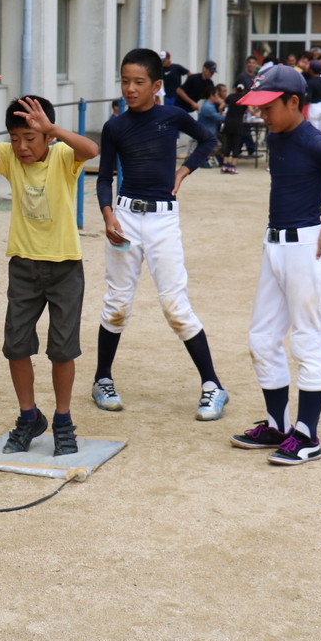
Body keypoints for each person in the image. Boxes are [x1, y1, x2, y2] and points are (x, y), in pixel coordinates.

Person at [230, 65, 321, 465]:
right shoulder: (277, 136)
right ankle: (278, 425)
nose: (261, 115)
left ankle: (307, 435)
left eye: (268, 108)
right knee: (262, 338)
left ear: (294, 102)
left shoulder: (315, 142)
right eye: (258, 108)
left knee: (307, 341)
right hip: (274, 246)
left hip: (307, 250)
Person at [0, 77, 99, 455]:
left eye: (31, 138)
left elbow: (92, 149)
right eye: (15, 138)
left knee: (62, 350)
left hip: (65, 266)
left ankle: (64, 420)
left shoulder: (64, 156)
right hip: (23, 265)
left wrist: (53, 129)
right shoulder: (9, 158)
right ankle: (28, 416)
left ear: (47, 137)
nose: (22, 146)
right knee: (16, 345)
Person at [93, 48, 228, 420]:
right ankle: (102, 379)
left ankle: (213, 385)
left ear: (156, 86)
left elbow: (209, 141)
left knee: (175, 306)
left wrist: (183, 171)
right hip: (124, 218)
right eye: (125, 81)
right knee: (117, 303)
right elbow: (104, 178)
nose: (130, 89)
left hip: (163, 221)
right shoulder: (114, 127)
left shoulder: (172, 116)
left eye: (139, 82)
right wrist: (108, 215)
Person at [219, 84, 248, 175]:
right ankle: (233, 166)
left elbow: (221, 107)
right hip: (238, 124)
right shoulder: (244, 98)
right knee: (236, 145)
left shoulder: (230, 97)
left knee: (228, 144)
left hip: (228, 123)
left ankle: (225, 165)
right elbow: (250, 110)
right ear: (243, 90)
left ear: (235, 89)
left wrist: (222, 113)